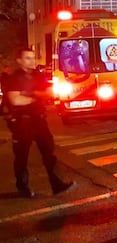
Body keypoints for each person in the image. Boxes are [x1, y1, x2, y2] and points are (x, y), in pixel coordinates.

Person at [6, 48, 75, 198]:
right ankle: (23, 188)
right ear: (20, 61)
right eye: (27, 58)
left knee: (49, 154)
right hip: (22, 123)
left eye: (33, 58)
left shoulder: (39, 75)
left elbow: (50, 92)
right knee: (21, 157)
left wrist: (32, 95)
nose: (32, 61)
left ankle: (57, 185)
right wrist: (37, 97)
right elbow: (15, 100)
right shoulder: (14, 78)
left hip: (39, 121)